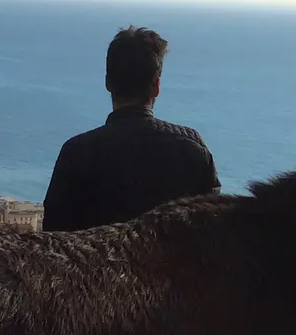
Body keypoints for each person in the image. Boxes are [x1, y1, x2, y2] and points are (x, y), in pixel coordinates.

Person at [42, 26, 220, 233]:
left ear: (108, 82)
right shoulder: (193, 150)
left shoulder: (76, 153)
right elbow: (213, 234)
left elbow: (53, 238)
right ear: (157, 87)